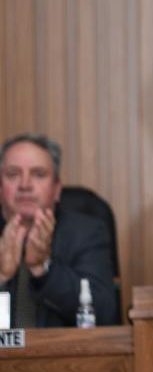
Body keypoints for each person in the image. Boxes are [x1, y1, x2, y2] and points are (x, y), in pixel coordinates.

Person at [0, 134, 116, 327]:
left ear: (56, 189)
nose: (25, 185)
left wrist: (44, 268)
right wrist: (1, 277)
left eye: (38, 174)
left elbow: (104, 315)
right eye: (13, 174)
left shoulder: (87, 233)